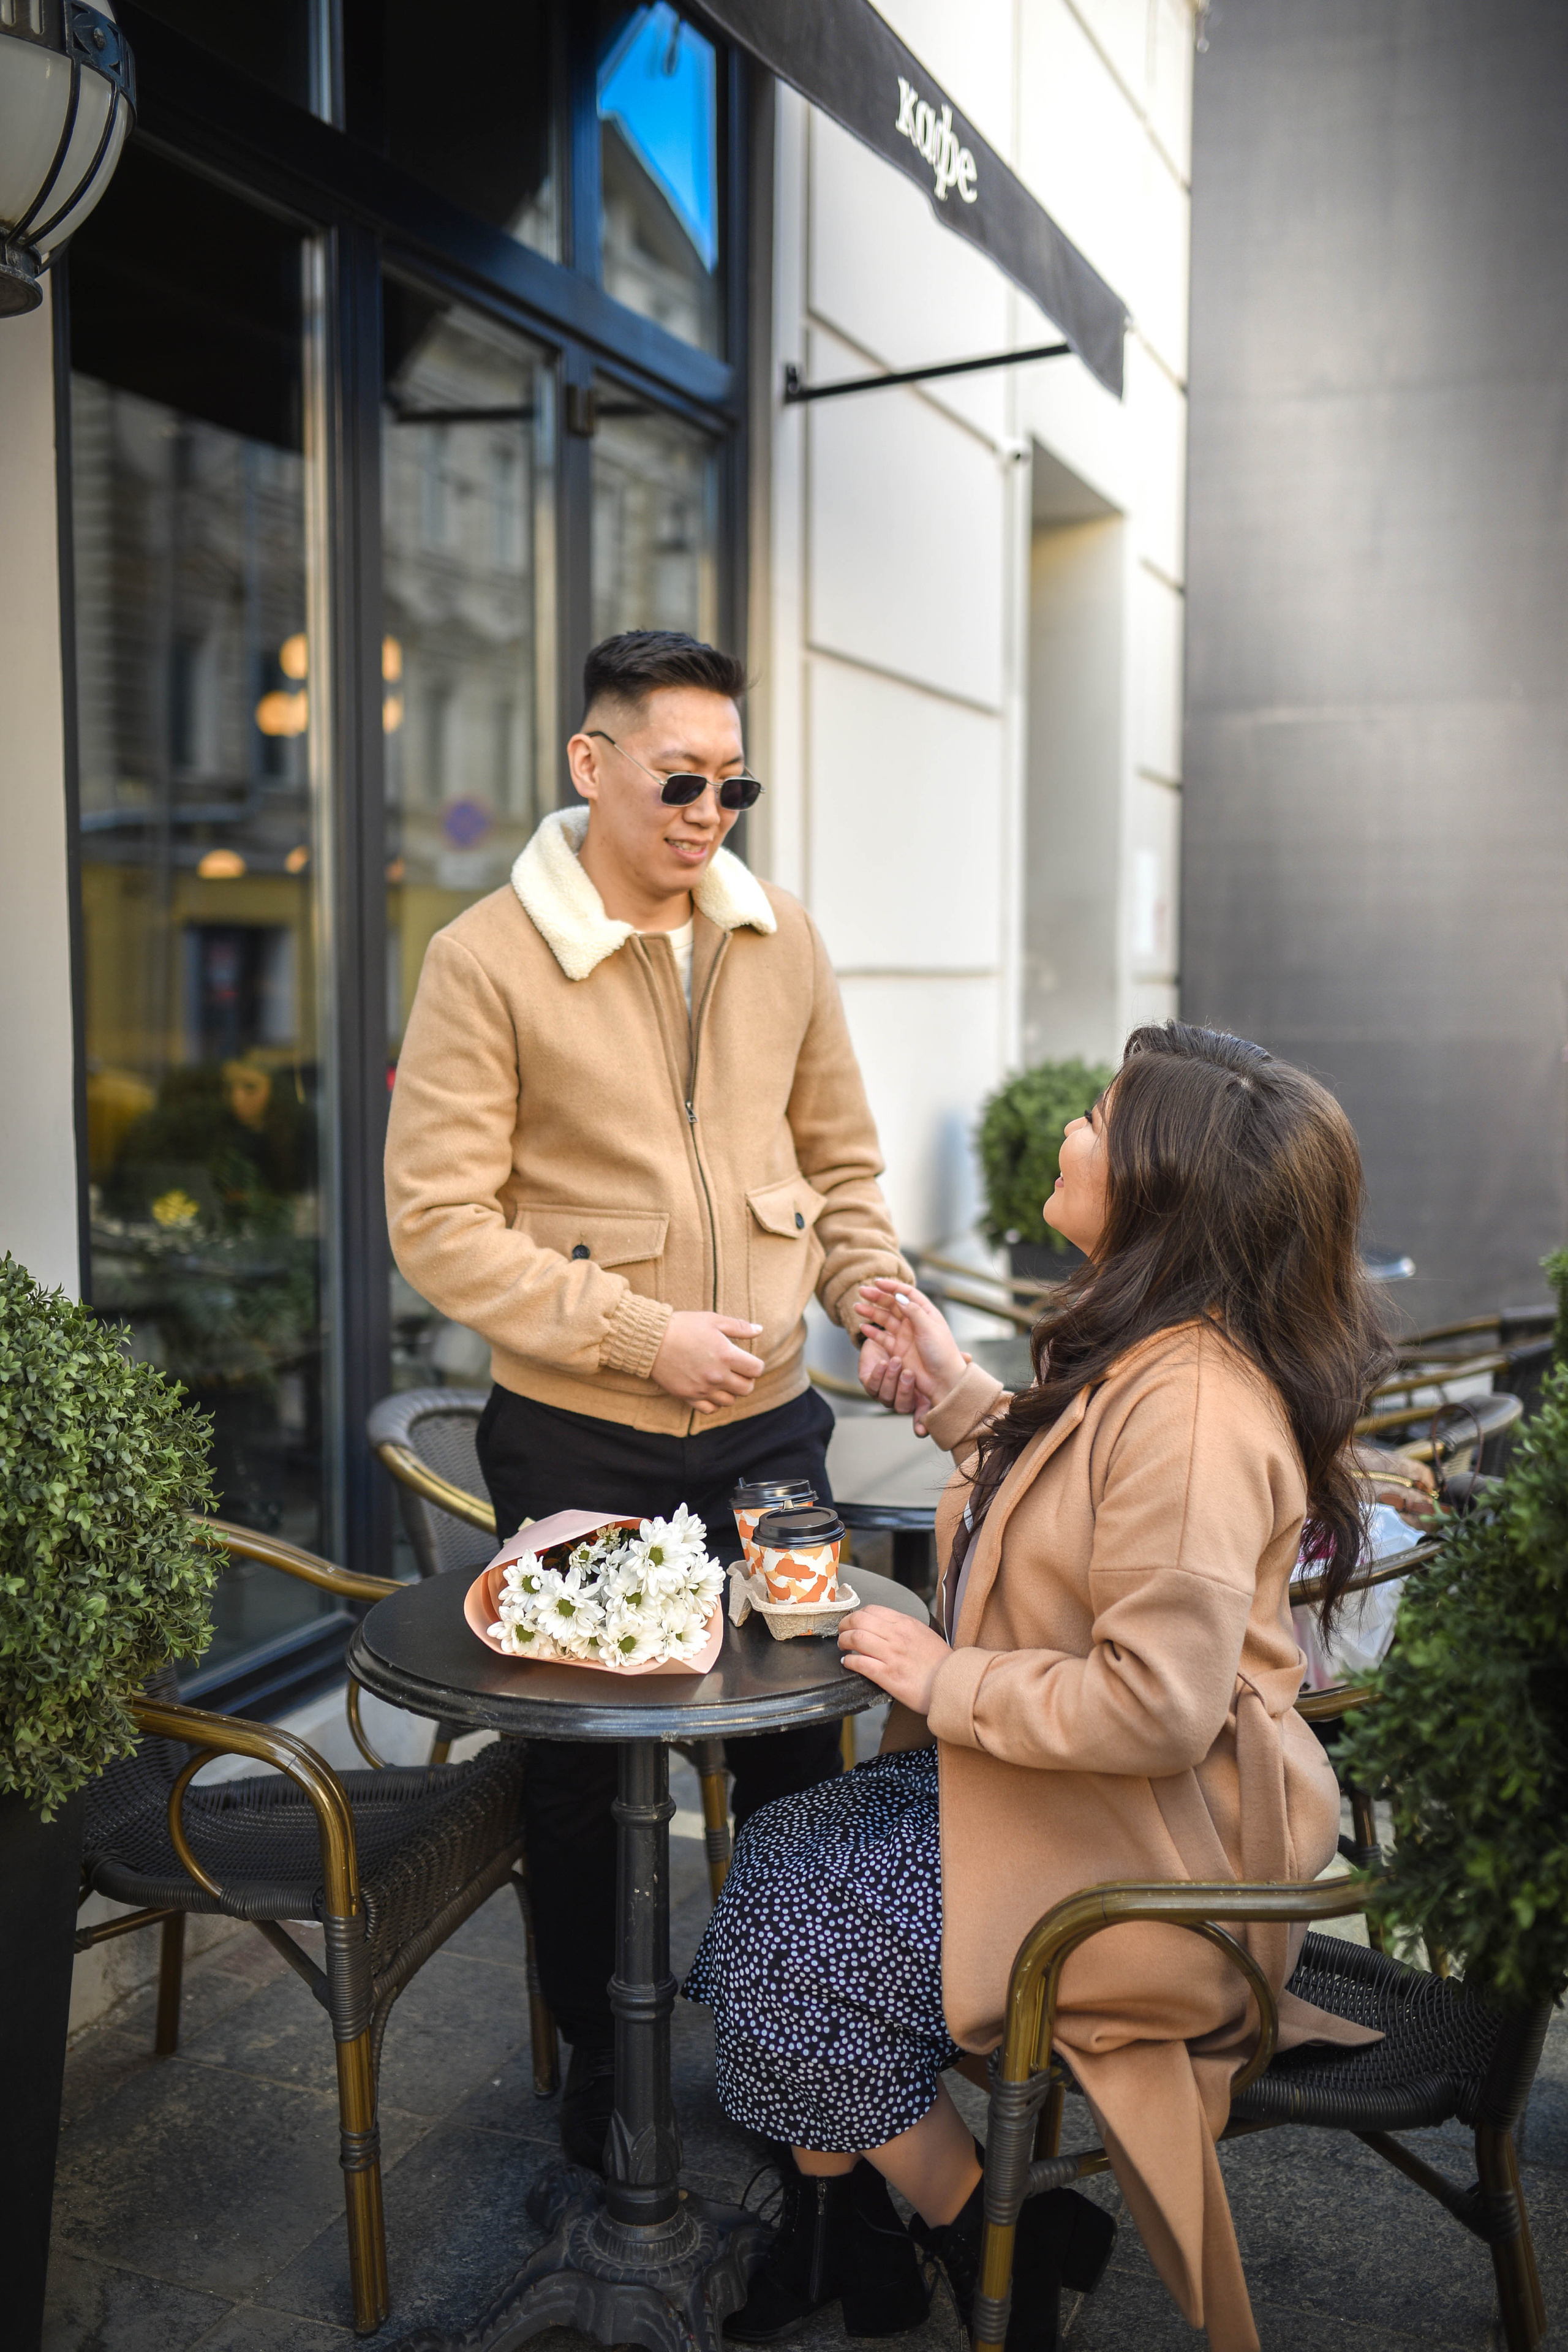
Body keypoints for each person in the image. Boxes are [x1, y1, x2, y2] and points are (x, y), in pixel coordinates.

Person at [685, 1023, 1389, 2352]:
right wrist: (955, 1399)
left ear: (1161, 1190)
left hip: (1153, 1875)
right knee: (779, 1860)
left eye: (1094, 1116)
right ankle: (866, 2243)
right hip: (1092, 1820)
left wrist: (947, 1677)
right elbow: (1085, 1513)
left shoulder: (1191, 1409)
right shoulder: (1165, 1351)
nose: (1069, 1130)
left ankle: (975, 2232)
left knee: (784, 1943)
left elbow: (1155, 1707)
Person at [384, 628, 916, 2168]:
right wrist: (634, 1335)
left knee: (796, 1750)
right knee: (582, 1766)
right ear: (590, 763)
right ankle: (602, 2090)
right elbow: (439, 1223)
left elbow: (838, 1167)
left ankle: (794, 2064)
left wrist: (867, 1288)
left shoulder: (781, 937)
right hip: (578, 1433)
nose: (708, 811)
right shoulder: (484, 957)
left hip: (770, 1428)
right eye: (680, 778)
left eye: (732, 783)